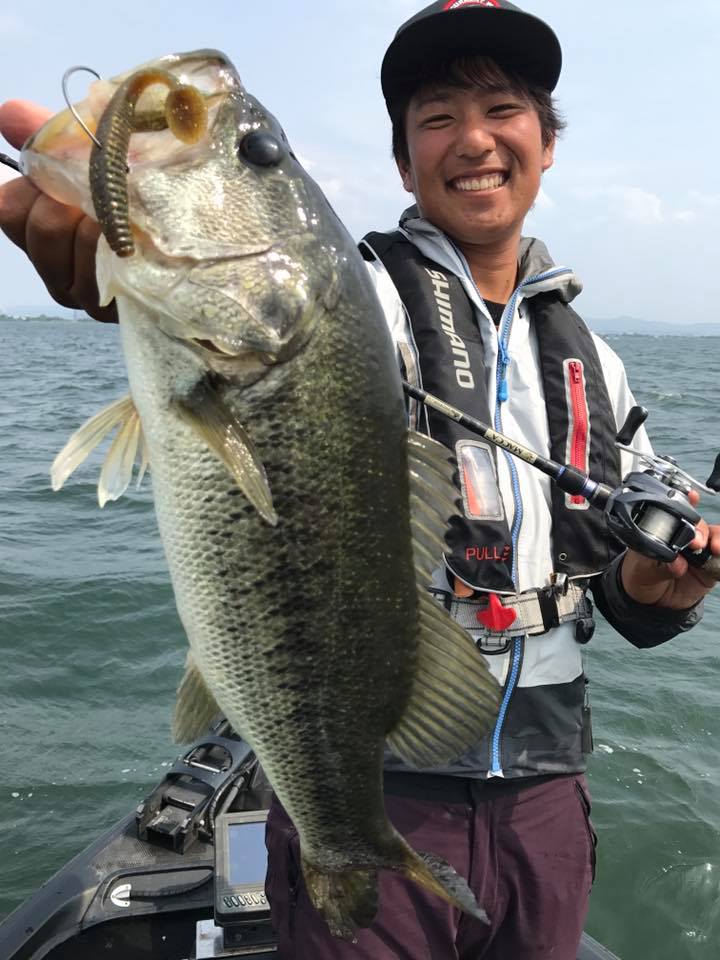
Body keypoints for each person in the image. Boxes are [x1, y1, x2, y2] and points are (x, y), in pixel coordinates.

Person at [0, 3, 718, 957]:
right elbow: (254, 318)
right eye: (437, 118)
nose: (474, 140)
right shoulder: (353, 289)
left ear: (547, 146)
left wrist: (662, 586)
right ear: (402, 162)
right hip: (376, 771)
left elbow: (613, 583)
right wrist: (118, 252)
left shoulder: (595, 359)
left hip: (548, 794)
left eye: (503, 110)